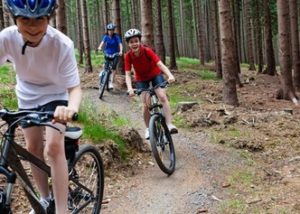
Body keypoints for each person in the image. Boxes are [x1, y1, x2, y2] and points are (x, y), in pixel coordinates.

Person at [1, 0, 82, 213]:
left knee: (53, 148)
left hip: (56, 95)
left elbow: (74, 88)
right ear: (14, 18)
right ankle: (45, 200)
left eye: (40, 19)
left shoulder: (62, 44)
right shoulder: (6, 38)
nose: (33, 26)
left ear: (49, 18)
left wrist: (71, 110)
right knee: (32, 148)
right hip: (26, 96)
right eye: (25, 18)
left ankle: (62, 209)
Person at [124, 28, 178, 140]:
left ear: (140, 41)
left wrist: (170, 75)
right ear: (128, 44)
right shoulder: (128, 56)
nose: (134, 44)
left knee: (162, 97)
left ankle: (169, 124)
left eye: (136, 41)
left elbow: (160, 64)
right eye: (131, 42)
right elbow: (128, 74)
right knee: (145, 104)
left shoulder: (147, 51)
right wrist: (130, 88)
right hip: (141, 79)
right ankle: (148, 129)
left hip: (155, 75)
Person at [97, 23, 123, 89]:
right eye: (109, 30)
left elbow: (120, 44)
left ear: (113, 30)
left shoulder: (116, 36)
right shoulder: (105, 37)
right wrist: (100, 47)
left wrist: (121, 51)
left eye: (112, 30)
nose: (110, 32)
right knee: (106, 66)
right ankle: (103, 74)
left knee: (114, 68)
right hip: (107, 53)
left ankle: (111, 82)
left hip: (115, 54)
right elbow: (102, 43)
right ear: (107, 31)